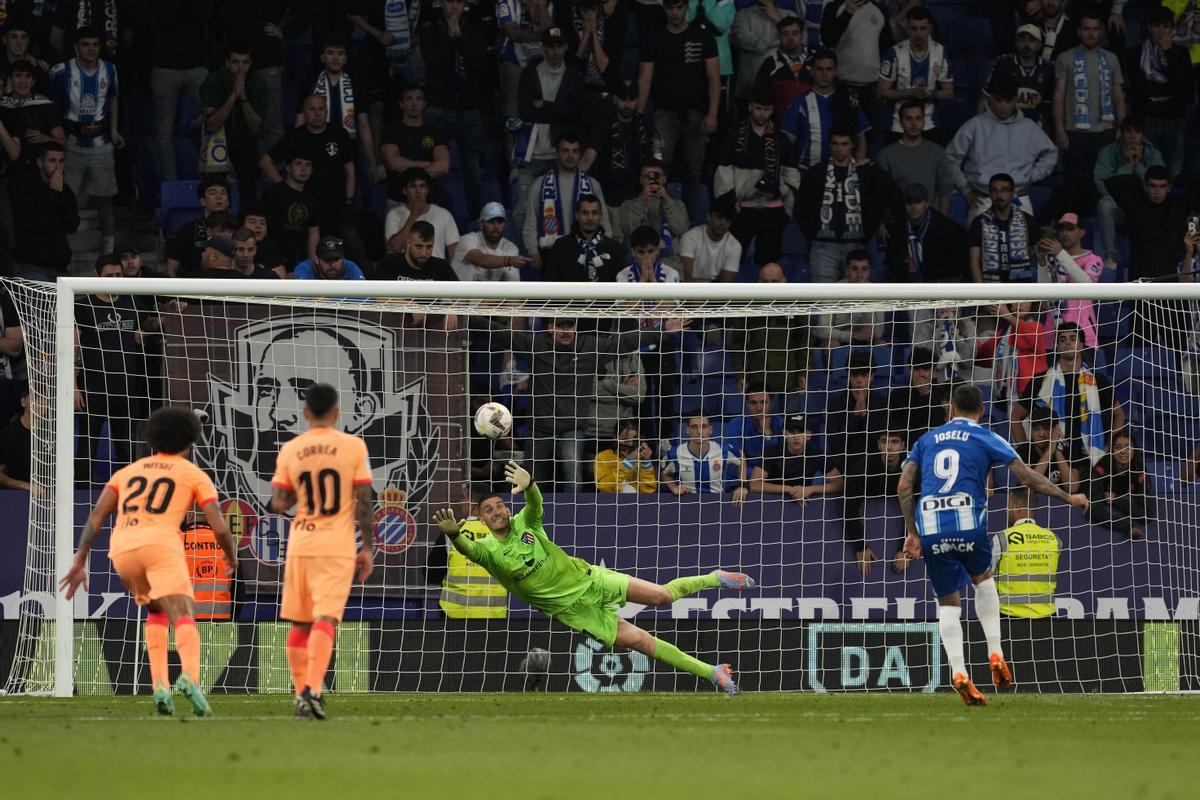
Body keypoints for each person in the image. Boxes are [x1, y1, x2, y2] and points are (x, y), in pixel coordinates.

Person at [434, 461, 754, 695]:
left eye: (500, 505)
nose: (498, 511)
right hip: (576, 611)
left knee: (662, 596)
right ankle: (713, 673)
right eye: (489, 509)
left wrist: (530, 484)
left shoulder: (524, 524)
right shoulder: (489, 549)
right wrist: (455, 537)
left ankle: (714, 578)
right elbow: (471, 552)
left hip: (592, 578)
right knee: (642, 643)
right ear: (482, 517)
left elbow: (536, 504)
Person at [898, 383, 1089, 705]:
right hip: (968, 524)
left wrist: (912, 531)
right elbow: (1027, 478)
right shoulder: (987, 436)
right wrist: (1068, 496)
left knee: (947, 603)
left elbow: (904, 484)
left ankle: (959, 672)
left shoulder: (926, 439)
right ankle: (995, 652)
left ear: (952, 409)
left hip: (930, 525)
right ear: (982, 411)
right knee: (984, 582)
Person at [59, 407, 238, 717]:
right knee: (182, 611)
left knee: (155, 611)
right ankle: (191, 678)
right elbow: (220, 526)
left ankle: (159, 686)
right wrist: (231, 554)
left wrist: (80, 557)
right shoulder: (192, 473)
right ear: (190, 441)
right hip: (161, 545)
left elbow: (96, 517)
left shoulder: (127, 473)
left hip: (123, 550)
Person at [269, 383, 376, 719]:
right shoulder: (353, 447)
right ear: (336, 412)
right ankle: (313, 689)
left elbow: (279, 503)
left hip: (300, 541)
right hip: (336, 543)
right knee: (326, 618)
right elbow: (366, 501)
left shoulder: (290, 449)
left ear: (305, 414)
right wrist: (368, 547)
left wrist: (294, 491)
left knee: (299, 624)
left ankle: (302, 693)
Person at [637, 0, 720, 219]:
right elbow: (645, 79)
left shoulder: (703, 36)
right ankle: (656, 222)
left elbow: (714, 78)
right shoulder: (653, 38)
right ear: (663, 8)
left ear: (686, 8)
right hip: (663, 113)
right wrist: (638, 116)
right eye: (670, 7)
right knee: (657, 171)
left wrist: (713, 113)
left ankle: (688, 223)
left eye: (679, 7)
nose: (674, 13)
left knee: (693, 171)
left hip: (696, 113)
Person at [945, 75, 1058, 224]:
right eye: (998, 100)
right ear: (990, 99)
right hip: (983, 198)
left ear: (1016, 100)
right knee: (980, 246)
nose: (1003, 106)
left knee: (1024, 246)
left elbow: (1051, 153)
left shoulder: (1029, 128)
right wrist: (965, 190)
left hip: (1018, 197)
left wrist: (1032, 176)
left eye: (1008, 101)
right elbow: (949, 158)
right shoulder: (974, 126)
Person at [261, 94, 359, 267]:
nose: (317, 113)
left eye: (321, 109)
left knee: (352, 245)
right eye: (312, 109)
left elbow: (350, 169)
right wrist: (284, 188)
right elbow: (265, 161)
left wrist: (349, 200)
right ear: (304, 112)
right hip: (305, 207)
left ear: (327, 111)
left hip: (337, 205)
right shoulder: (294, 137)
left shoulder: (338, 133)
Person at [48, 27, 121, 253]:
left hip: (101, 142)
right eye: (85, 44)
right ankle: (60, 248)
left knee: (106, 198)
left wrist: (115, 130)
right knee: (63, 196)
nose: (90, 49)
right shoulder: (61, 71)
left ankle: (108, 252)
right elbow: (52, 105)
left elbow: (114, 100)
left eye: (95, 45)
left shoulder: (110, 69)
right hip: (71, 144)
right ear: (76, 47)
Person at [796, 126, 899, 283]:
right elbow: (800, 208)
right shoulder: (816, 173)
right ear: (829, 144)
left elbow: (880, 203)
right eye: (835, 143)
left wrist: (867, 234)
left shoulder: (865, 173)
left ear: (853, 145)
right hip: (823, 245)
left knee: (855, 299)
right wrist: (812, 235)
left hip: (856, 244)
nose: (839, 148)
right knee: (825, 301)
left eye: (844, 144)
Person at [512, 27, 586, 240]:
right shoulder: (529, 73)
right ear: (544, 47)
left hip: (561, 154)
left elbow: (575, 112)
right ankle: (525, 255)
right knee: (522, 209)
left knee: (567, 208)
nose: (555, 50)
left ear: (565, 48)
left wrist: (544, 105)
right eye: (550, 46)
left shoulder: (574, 75)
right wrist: (559, 110)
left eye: (559, 46)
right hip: (532, 152)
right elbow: (526, 110)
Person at [1012, 322, 1124, 463]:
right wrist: (1026, 452)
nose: (1067, 343)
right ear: (1057, 347)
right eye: (1062, 340)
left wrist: (1110, 446)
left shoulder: (1097, 380)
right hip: (1049, 458)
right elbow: (1015, 417)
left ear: (1082, 345)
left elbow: (1119, 413)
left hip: (1088, 459)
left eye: (1073, 338)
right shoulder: (1040, 380)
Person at [1052, 8, 1126, 212]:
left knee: (1102, 185)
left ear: (1101, 31)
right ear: (1078, 31)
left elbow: (1118, 96)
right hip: (1075, 133)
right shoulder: (1065, 58)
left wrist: (1122, 128)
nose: (1091, 33)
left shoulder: (1111, 59)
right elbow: (1058, 96)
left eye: (1095, 29)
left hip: (1105, 131)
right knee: (1074, 187)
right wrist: (1059, 129)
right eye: (1086, 29)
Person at [715, 88, 798, 266]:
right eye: (759, 108)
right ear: (750, 107)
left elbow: (792, 175)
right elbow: (724, 173)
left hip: (774, 210)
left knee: (769, 265)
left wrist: (785, 207)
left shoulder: (781, 139)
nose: (762, 114)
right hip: (743, 210)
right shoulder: (735, 136)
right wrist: (732, 206)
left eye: (767, 109)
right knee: (732, 264)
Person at [421, 0, 489, 216]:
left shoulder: (476, 31)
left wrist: (459, 37)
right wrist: (450, 38)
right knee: (433, 167)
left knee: (473, 170)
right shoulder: (430, 31)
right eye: (450, 2)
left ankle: (477, 218)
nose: (454, 7)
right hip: (438, 107)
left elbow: (478, 64)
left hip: (469, 108)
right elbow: (434, 63)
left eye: (459, 2)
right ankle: (432, 215)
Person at [522, 133, 611, 268]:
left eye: (575, 151)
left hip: (586, 252)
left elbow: (603, 221)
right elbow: (530, 221)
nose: (570, 156)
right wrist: (533, 252)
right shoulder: (540, 184)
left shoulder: (592, 185)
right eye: (565, 151)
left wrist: (606, 248)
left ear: (580, 154)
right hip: (551, 253)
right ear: (557, 153)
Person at [198, 42, 269, 208]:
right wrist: (233, 96)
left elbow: (256, 126)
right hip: (217, 139)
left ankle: (247, 225)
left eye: (245, 62)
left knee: (248, 184)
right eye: (236, 62)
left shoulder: (258, 82)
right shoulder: (213, 81)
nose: (240, 68)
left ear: (250, 63)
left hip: (245, 139)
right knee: (215, 188)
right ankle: (216, 224)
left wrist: (243, 96)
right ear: (227, 63)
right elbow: (212, 125)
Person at [301, 33, 377, 180]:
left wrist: (372, 161)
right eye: (330, 53)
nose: (335, 58)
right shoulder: (310, 84)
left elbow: (363, 125)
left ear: (345, 59)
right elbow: (300, 122)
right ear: (322, 57)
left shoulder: (356, 85)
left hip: (348, 150)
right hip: (316, 148)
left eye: (340, 54)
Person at [1093, 117, 1164, 272]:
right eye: (1128, 132)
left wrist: (1137, 165)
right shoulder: (1108, 152)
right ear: (1122, 134)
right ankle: (1110, 256)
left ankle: (1154, 257)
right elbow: (1101, 182)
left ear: (1143, 135)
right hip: (1119, 208)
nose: (1133, 136)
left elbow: (1158, 185)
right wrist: (1127, 165)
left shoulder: (1153, 154)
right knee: (1104, 204)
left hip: (1145, 207)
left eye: (1137, 132)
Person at [1128, 6, 1190, 180]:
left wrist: (1169, 53)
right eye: (1157, 26)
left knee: (1174, 175)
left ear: (1172, 29)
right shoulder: (1135, 53)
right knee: (1147, 174)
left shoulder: (1181, 54)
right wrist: (1171, 88)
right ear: (1149, 27)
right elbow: (1141, 89)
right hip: (1147, 122)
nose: (1161, 31)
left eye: (1165, 26)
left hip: (1174, 124)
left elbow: (1184, 90)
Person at [781, 48, 870, 171]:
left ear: (835, 72)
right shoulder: (800, 103)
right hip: (806, 172)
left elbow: (861, 136)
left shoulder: (848, 100)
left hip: (842, 172)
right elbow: (786, 142)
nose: (824, 74)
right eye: (820, 69)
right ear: (812, 71)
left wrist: (859, 165)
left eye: (829, 69)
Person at [877, 7, 953, 143]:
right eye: (914, 28)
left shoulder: (941, 53)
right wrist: (911, 93)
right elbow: (882, 92)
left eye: (923, 28)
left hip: (929, 124)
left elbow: (949, 92)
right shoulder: (894, 53)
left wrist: (931, 94)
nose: (918, 33)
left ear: (930, 28)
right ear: (906, 29)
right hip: (898, 126)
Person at [580, 79, 657, 208]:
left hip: (640, 198)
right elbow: (588, 159)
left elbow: (657, 160)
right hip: (611, 199)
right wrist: (569, 180)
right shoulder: (604, 124)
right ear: (615, 99)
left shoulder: (645, 124)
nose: (627, 105)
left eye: (632, 100)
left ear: (637, 100)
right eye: (623, 99)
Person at [1105, 166, 1190, 281]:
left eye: (1162, 186)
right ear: (1145, 186)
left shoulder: (1179, 206)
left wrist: (1179, 180)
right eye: (1152, 186)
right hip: (1140, 280)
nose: (1157, 191)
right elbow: (1111, 183)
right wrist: (1139, 178)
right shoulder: (1134, 205)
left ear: (1169, 187)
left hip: (1171, 280)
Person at [10, 141, 78, 281]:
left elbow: (72, 225)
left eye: (61, 161)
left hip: (59, 266)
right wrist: (52, 194)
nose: (57, 166)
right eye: (52, 160)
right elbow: (32, 223)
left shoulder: (65, 191)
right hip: (31, 265)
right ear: (40, 163)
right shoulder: (25, 188)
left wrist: (59, 195)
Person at [1035, 211, 1105, 347]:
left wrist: (1060, 253)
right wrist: (1041, 263)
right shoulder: (1052, 259)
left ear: (1082, 232)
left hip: (1083, 336)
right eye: (1061, 229)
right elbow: (1043, 295)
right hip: (1053, 336)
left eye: (1070, 229)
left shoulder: (1093, 259)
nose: (1065, 233)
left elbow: (1087, 284)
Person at [843, 427, 907, 575]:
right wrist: (860, 546)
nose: (889, 447)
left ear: (903, 446)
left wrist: (905, 549)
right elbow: (850, 508)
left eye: (895, 442)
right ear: (878, 444)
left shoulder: (913, 470)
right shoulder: (861, 469)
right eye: (885, 442)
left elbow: (919, 510)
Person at [994, 487, 1062, 618]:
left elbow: (986, 577)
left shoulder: (1001, 539)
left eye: (1009, 505)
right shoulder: (1054, 538)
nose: (1005, 510)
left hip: (1009, 616)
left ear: (1018, 507)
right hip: (1047, 616)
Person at [875, 100, 953, 213]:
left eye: (918, 118)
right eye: (908, 119)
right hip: (897, 220)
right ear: (901, 122)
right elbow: (879, 194)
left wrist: (941, 222)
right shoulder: (886, 155)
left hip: (930, 220)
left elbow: (946, 189)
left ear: (924, 122)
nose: (914, 123)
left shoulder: (938, 152)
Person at [379, 84, 451, 206]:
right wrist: (426, 164)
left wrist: (408, 172)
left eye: (418, 99)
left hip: (430, 201)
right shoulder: (391, 131)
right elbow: (393, 163)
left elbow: (443, 166)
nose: (414, 104)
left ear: (424, 104)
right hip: (398, 199)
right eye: (409, 99)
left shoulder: (435, 132)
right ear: (401, 104)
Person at [884, 183, 967, 283]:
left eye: (918, 202)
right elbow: (894, 264)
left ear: (926, 203)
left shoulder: (946, 227)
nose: (913, 206)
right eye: (909, 203)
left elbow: (958, 264)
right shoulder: (898, 229)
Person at [751, 414, 840, 505]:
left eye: (801, 432)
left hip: (802, 502)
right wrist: (791, 489)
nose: (796, 437)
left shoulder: (816, 454)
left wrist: (811, 489)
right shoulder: (772, 452)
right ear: (785, 433)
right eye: (792, 432)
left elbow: (840, 483)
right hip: (771, 502)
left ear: (809, 435)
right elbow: (754, 484)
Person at [968, 173, 1039, 283]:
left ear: (1012, 193)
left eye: (1004, 190)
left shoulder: (1027, 221)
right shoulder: (979, 222)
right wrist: (981, 293)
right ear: (990, 193)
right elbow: (974, 262)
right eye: (994, 190)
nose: (999, 195)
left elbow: (1040, 257)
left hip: (1022, 290)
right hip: (991, 290)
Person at [662, 414, 748, 502]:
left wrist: (742, 486)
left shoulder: (723, 451)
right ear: (687, 430)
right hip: (688, 503)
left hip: (717, 502)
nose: (699, 431)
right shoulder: (675, 453)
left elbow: (741, 457)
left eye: (704, 426)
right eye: (694, 427)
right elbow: (664, 473)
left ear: (710, 430)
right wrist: (673, 487)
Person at [983, 24, 1054, 128]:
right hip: (1003, 125)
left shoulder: (1048, 68)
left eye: (1031, 40)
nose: (1026, 45)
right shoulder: (1003, 63)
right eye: (1022, 40)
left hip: (1035, 128)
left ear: (1039, 45)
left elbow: (1049, 105)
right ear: (1016, 43)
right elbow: (986, 97)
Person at [812, 249, 886, 347]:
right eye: (855, 269)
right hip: (839, 338)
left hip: (864, 338)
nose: (860, 275)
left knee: (881, 344)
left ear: (869, 271)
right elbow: (822, 330)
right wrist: (853, 335)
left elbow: (878, 333)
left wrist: (867, 298)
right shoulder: (831, 291)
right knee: (832, 344)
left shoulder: (877, 293)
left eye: (864, 269)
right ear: (846, 271)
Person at [542, 193, 623, 282]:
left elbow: (622, 284)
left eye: (595, 213)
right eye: (585, 213)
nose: (590, 218)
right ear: (577, 215)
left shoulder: (614, 248)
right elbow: (551, 282)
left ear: (601, 216)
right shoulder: (561, 245)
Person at [259, 154, 322, 268]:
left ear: (312, 170)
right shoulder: (273, 193)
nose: (303, 169)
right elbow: (261, 225)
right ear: (288, 168)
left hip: (298, 258)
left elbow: (314, 233)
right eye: (298, 164)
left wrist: (313, 262)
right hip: (272, 255)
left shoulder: (312, 199)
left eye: (308, 165)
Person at [384, 167, 459, 258]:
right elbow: (395, 247)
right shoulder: (394, 215)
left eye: (422, 186)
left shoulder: (444, 214)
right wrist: (414, 215)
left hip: (436, 271)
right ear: (404, 191)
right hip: (405, 271)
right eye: (413, 186)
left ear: (427, 190)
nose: (418, 191)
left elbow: (454, 253)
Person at [614, 161, 689, 253]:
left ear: (664, 179)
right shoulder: (628, 205)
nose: (652, 181)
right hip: (639, 256)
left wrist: (666, 200)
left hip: (669, 258)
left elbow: (680, 229)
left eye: (657, 176)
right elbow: (628, 230)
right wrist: (641, 201)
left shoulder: (678, 205)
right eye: (647, 177)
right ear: (640, 180)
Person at [1087, 428, 1148, 540]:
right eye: (1118, 447)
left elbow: (1147, 515)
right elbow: (1093, 509)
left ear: (1134, 449)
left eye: (1127, 447)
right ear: (1112, 450)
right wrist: (1127, 526)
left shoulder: (1140, 470)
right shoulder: (1102, 469)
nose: (1123, 451)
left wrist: (1116, 500)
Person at [164, 177, 230, 278]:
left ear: (228, 201)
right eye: (213, 193)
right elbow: (171, 269)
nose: (219, 197)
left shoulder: (237, 229)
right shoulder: (187, 230)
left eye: (223, 193)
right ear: (203, 201)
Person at [452, 202, 530, 282]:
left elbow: (512, 288)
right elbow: (480, 259)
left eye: (500, 222)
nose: (496, 226)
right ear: (481, 225)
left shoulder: (511, 248)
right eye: (491, 222)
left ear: (505, 224)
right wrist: (508, 261)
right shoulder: (467, 240)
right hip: (461, 293)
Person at [1013, 407, 1081, 495]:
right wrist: (1049, 452)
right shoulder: (1023, 451)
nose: (1041, 434)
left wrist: (1057, 451)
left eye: (1046, 429)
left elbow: (1073, 488)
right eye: (1036, 429)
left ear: (1055, 430)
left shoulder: (1067, 449)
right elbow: (1029, 487)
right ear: (1031, 431)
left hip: (1060, 504)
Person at [678, 195, 741, 283]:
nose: (722, 223)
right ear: (709, 217)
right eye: (719, 217)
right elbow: (687, 276)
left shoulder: (735, 246)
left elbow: (725, 283)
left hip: (713, 288)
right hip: (686, 286)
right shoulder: (690, 237)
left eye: (727, 219)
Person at [722, 383, 784, 470]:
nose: (759, 408)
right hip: (745, 478)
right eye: (753, 403)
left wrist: (768, 434)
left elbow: (781, 462)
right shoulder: (736, 425)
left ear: (772, 404)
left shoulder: (782, 425)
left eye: (763, 402)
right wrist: (755, 477)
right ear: (747, 404)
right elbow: (734, 462)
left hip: (773, 479)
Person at [375, 220, 459, 282]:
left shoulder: (441, 266)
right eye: (419, 246)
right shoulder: (389, 263)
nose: (424, 253)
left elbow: (463, 298)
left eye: (429, 247)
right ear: (408, 242)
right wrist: (409, 305)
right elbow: (376, 295)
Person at [595, 422, 658, 493]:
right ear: (615, 438)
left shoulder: (641, 458)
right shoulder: (603, 457)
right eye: (626, 440)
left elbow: (649, 492)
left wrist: (646, 464)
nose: (630, 444)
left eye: (634, 440)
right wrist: (628, 463)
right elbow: (605, 488)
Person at [0, 380, 31, 489]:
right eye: (36, 398)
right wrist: (25, 486)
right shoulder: (8, 435)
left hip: (51, 495)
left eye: (46, 398)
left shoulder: (54, 432)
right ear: (23, 402)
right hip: (19, 495)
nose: (42, 402)